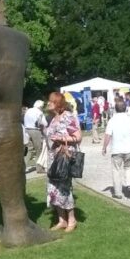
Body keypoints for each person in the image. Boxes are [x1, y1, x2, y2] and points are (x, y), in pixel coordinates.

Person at [45, 92, 82, 232]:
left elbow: (78, 137)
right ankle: (62, 220)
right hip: (53, 158)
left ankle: (72, 219)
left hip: (63, 157)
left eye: (50, 101)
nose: (48, 103)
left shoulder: (67, 116)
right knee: (53, 188)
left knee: (64, 188)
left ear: (58, 103)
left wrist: (61, 139)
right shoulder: (53, 118)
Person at [102, 100, 130, 199]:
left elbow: (108, 135)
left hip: (116, 149)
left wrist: (104, 147)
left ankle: (118, 192)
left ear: (115, 109)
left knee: (116, 170)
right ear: (126, 108)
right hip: (128, 149)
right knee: (128, 168)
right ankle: (129, 185)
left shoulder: (112, 120)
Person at [23, 100, 48, 171]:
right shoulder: (39, 112)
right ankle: (39, 168)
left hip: (26, 130)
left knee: (29, 150)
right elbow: (45, 123)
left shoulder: (28, 111)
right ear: (40, 106)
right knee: (38, 150)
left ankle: (22, 167)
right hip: (35, 131)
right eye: (42, 107)